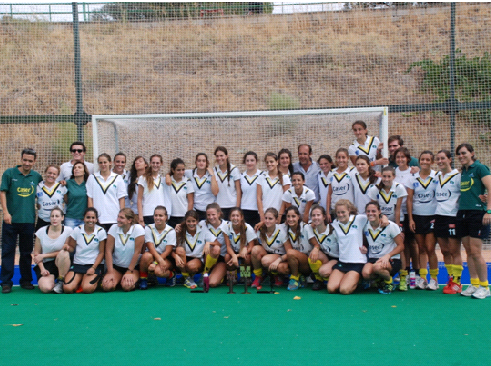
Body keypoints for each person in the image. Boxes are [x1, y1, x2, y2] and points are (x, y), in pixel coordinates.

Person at [1, 148, 43, 293]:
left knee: (26, 252)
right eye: (24, 160)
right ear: (21, 159)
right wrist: (5, 212)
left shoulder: (36, 176)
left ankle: (26, 280)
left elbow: (45, 190)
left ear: (34, 161)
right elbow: (3, 192)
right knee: (8, 251)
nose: (27, 163)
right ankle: (6, 282)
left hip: (28, 220)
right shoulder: (9, 173)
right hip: (10, 220)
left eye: (30, 161)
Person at [456, 143, 491, 299]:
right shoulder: (463, 171)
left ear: (472, 153)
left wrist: (488, 210)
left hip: (478, 213)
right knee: (468, 251)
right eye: (459, 154)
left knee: (476, 252)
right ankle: (474, 283)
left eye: (464, 153)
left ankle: (485, 286)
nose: (461, 156)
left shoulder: (480, 168)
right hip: (463, 213)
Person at [367, 166, 407, 290]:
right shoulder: (375, 189)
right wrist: (382, 218)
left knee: (400, 247)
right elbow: (373, 207)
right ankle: (379, 278)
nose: (386, 179)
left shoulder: (399, 188)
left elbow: (398, 209)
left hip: (395, 222)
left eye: (389, 176)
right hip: (379, 221)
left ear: (394, 177)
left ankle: (403, 278)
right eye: (384, 176)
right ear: (381, 177)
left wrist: (397, 227)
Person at [407, 151, 438, 290]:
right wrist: (411, 219)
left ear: (432, 162)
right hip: (418, 216)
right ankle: (423, 278)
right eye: (422, 159)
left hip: (432, 216)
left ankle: (434, 279)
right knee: (421, 248)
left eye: (428, 160)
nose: (424, 162)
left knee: (430, 248)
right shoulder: (413, 178)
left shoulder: (436, 176)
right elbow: (409, 199)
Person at [434, 150, 462, 294]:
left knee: (454, 250)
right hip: (439, 216)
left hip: (452, 216)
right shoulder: (436, 176)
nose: (440, 161)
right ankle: (451, 278)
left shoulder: (457, 176)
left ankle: (457, 282)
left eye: (443, 158)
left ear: (450, 160)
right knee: (444, 250)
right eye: (438, 159)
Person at [327, 200, 369, 295]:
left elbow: (374, 217)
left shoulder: (359, 219)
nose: (341, 215)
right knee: (331, 288)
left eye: (343, 212)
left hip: (357, 262)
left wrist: (384, 218)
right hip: (343, 262)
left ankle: (360, 279)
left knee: (344, 290)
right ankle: (349, 279)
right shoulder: (335, 223)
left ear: (349, 210)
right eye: (338, 212)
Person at [361, 202, 404, 294]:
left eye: (373, 211)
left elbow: (401, 246)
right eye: (368, 211)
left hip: (391, 259)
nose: (370, 213)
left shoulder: (390, 226)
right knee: (366, 273)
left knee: (377, 267)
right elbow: (366, 242)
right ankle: (380, 281)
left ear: (379, 211)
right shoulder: (365, 226)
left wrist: (388, 256)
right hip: (374, 258)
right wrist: (364, 247)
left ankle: (389, 283)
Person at [63, 207, 106, 294]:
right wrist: (67, 247)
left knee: (87, 289)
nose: (90, 220)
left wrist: (93, 267)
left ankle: (94, 279)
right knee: (67, 288)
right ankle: (80, 280)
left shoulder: (101, 231)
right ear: (84, 218)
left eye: (93, 218)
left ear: (96, 219)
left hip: (93, 265)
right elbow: (72, 248)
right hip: (78, 264)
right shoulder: (77, 230)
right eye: (88, 217)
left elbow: (102, 253)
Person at [102, 208, 145, 292]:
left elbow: (137, 252)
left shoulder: (138, 229)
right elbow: (108, 251)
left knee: (127, 286)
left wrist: (129, 271)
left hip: (132, 268)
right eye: (118, 217)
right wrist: (110, 272)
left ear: (129, 220)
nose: (118, 220)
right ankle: (118, 278)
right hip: (116, 267)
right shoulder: (114, 228)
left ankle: (130, 279)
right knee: (107, 287)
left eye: (121, 218)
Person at [395, 147, 420, 291]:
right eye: (397, 157)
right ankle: (404, 271)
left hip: (411, 212)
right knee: (401, 243)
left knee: (413, 243)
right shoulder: (393, 173)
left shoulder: (413, 172)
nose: (400, 159)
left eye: (402, 157)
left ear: (408, 159)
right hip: (398, 214)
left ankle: (416, 273)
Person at [32, 207, 72, 293]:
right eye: (52, 216)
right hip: (47, 264)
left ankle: (61, 281)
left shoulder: (68, 231)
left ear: (62, 218)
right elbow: (36, 254)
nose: (54, 218)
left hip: (62, 262)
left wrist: (44, 255)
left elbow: (64, 251)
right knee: (46, 288)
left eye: (57, 216)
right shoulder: (41, 232)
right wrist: (42, 269)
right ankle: (51, 282)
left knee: (64, 253)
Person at [139, 206, 177, 289]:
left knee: (158, 271)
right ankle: (143, 280)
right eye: (156, 215)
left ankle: (171, 275)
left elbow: (167, 251)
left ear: (166, 217)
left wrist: (155, 263)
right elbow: (150, 248)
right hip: (153, 256)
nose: (158, 218)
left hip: (166, 258)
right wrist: (157, 261)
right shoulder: (148, 228)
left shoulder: (171, 231)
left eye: (161, 215)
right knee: (146, 256)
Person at [86, 153, 126, 232]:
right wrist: (92, 215)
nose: (103, 164)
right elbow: (90, 198)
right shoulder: (92, 178)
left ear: (110, 163)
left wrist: (122, 216)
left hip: (114, 217)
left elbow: (121, 199)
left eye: (105, 162)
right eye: (100, 163)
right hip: (98, 218)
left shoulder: (118, 178)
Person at [251, 207, 289, 289]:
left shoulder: (281, 231)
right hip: (267, 253)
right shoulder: (261, 229)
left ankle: (276, 275)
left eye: (270, 219)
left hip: (280, 256)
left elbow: (289, 252)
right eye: (266, 218)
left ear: (276, 220)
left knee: (266, 260)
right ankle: (259, 276)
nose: (267, 221)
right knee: (255, 250)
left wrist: (279, 260)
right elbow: (257, 245)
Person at [199, 203, 231, 288]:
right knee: (215, 248)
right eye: (208, 215)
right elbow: (189, 225)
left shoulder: (227, 225)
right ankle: (205, 273)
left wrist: (209, 243)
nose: (211, 217)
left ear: (219, 214)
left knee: (212, 283)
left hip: (222, 259)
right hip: (209, 256)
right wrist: (179, 226)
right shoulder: (202, 224)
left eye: (213, 214)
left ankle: (220, 275)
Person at [307, 204, 338, 291]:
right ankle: (319, 280)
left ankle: (330, 279)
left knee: (323, 271)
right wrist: (315, 248)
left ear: (324, 217)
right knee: (312, 256)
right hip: (326, 258)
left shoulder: (334, 230)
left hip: (338, 259)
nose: (316, 217)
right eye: (313, 215)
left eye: (318, 215)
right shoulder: (311, 230)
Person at [174, 210, 207, 289]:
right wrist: (175, 256)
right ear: (185, 221)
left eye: (193, 221)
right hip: (183, 257)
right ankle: (187, 278)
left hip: (197, 259)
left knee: (191, 266)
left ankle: (200, 275)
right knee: (179, 250)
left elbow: (216, 242)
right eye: (188, 221)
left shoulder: (203, 230)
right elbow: (172, 248)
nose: (191, 224)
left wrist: (209, 243)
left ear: (197, 221)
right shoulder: (179, 231)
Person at [282, 206, 313, 291]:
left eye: (293, 216)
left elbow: (316, 245)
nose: (290, 219)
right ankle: (300, 276)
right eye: (288, 216)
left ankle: (294, 278)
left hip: (307, 262)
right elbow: (272, 224)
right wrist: (262, 223)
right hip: (294, 261)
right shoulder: (284, 228)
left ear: (298, 217)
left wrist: (316, 250)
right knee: (282, 267)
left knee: (291, 252)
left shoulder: (306, 227)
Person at [224, 207, 257, 282]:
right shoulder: (226, 226)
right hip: (233, 251)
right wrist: (233, 255)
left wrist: (238, 255)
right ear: (229, 217)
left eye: (237, 216)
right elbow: (228, 246)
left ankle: (245, 276)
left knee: (247, 258)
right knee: (227, 257)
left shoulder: (247, 228)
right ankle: (232, 276)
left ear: (241, 217)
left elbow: (251, 246)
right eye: (233, 216)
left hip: (245, 251)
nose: (235, 218)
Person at [257, 152, 291, 223]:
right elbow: (258, 198)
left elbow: (286, 198)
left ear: (277, 162)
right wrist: (262, 216)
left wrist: (280, 215)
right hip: (266, 216)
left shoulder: (285, 178)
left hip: (279, 215)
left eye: (271, 162)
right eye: (267, 162)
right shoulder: (261, 177)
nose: (269, 164)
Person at [137, 154, 171, 226]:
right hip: (148, 214)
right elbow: (139, 199)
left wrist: (168, 174)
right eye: (153, 163)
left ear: (161, 163)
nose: (155, 165)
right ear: (150, 163)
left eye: (157, 163)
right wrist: (140, 217)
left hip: (161, 214)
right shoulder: (143, 178)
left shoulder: (162, 179)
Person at [185, 153, 218, 221]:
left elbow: (215, 192)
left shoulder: (212, 174)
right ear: (195, 162)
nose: (201, 163)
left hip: (209, 211)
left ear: (207, 163)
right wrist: (167, 175)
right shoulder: (189, 173)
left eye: (203, 161)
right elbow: (174, 172)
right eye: (199, 161)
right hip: (196, 210)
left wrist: (212, 175)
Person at [326, 148, 354, 223]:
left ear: (348, 158)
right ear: (336, 158)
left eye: (343, 157)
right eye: (339, 157)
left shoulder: (352, 171)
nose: (341, 160)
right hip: (335, 210)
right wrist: (328, 212)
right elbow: (329, 194)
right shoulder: (331, 173)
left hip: (349, 209)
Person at [214, 146, 241, 220]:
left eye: (221, 155)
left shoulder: (234, 170)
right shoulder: (214, 170)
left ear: (226, 156)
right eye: (217, 156)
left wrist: (237, 208)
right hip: (219, 207)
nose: (219, 158)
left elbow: (238, 190)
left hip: (232, 206)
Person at [165, 158, 194, 228]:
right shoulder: (167, 181)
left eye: (183, 170)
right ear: (173, 170)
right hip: (170, 216)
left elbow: (190, 202)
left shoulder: (188, 182)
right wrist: (167, 175)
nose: (181, 172)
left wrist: (188, 217)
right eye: (178, 170)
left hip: (183, 216)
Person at [36, 165, 66, 231]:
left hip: (57, 221)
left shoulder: (61, 187)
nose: (51, 175)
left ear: (57, 175)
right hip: (42, 220)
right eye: (49, 173)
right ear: (45, 173)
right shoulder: (38, 186)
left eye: (54, 174)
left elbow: (67, 201)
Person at [64, 161, 89, 228]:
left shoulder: (88, 184)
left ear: (84, 171)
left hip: (85, 219)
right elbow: (65, 200)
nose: (76, 169)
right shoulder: (67, 183)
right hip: (71, 218)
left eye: (79, 167)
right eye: (75, 168)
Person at [240, 151, 262, 226]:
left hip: (258, 211)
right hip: (244, 210)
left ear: (256, 161)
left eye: (252, 160)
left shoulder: (262, 175)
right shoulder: (241, 176)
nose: (249, 163)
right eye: (247, 161)